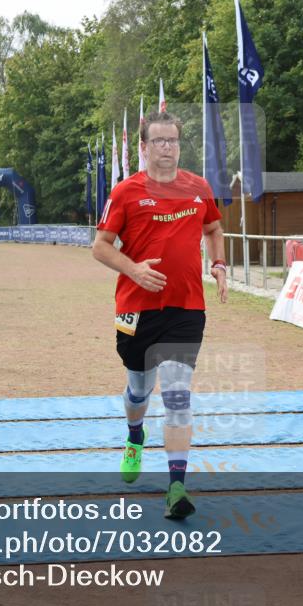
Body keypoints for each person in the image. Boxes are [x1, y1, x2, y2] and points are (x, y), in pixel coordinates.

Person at [92, 110, 227, 520]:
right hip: (136, 310)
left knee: (176, 395)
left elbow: (214, 229)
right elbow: (100, 245)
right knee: (139, 390)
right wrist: (134, 269)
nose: (168, 148)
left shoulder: (199, 188)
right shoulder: (125, 192)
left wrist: (218, 265)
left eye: (174, 141)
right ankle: (135, 435)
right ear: (144, 147)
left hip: (186, 308)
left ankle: (176, 487)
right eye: (160, 141)